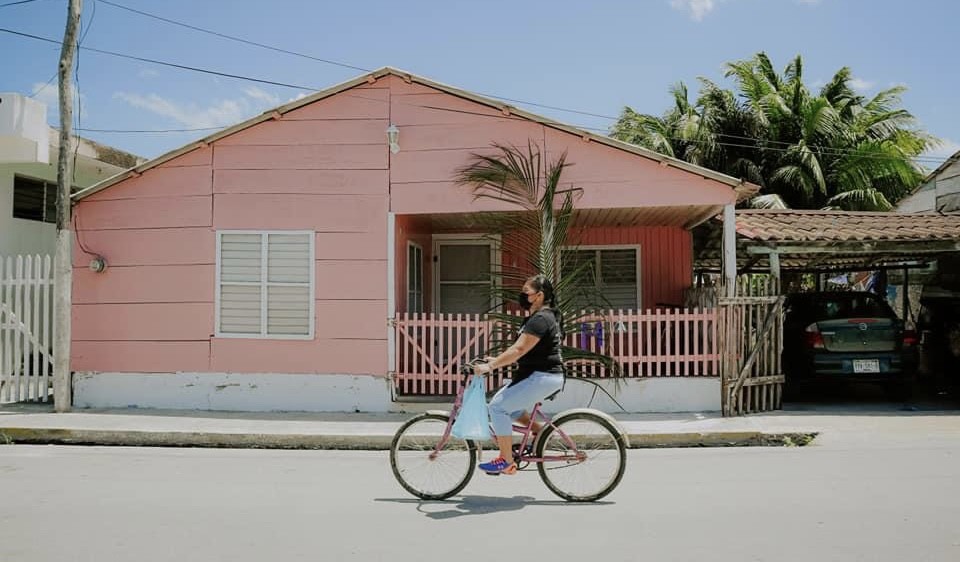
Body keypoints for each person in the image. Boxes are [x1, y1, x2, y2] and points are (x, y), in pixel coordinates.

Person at [473, 274, 565, 475]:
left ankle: (506, 460)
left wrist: (491, 367)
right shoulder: (542, 317)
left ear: (539, 296)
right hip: (538, 375)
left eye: (526, 292)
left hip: (542, 376)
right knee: (507, 406)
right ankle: (541, 432)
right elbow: (522, 349)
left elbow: (519, 350)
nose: (522, 296)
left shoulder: (541, 318)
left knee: (497, 408)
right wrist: (495, 360)